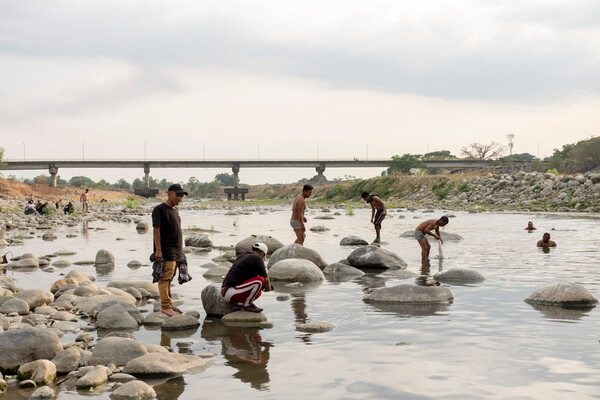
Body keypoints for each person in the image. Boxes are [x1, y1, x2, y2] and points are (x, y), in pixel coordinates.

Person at [152, 183, 188, 317]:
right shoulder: (160, 209)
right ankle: (165, 306)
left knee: (170, 278)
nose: (180, 198)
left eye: (181, 196)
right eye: (177, 195)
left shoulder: (175, 210)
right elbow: (156, 230)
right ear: (169, 193)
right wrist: (158, 250)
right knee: (165, 278)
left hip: (176, 250)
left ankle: (169, 303)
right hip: (167, 250)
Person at [221, 243, 272, 313]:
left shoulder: (243, 256)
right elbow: (265, 278)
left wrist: (263, 287)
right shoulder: (257, 258)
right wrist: (268, 287)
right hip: (231, 293)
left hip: (225, 292)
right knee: (260, 281)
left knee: (258, 291)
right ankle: (248, 305)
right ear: (262, 254)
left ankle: (239, 304)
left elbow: (249, 281)